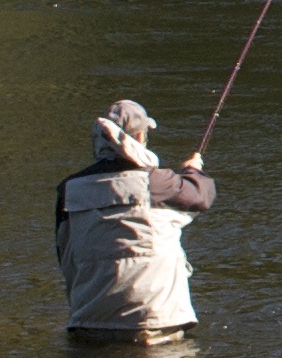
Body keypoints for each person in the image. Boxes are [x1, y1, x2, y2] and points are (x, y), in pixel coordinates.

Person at [54, 101, 217, 344]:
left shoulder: (69, 189)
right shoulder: (157, 183)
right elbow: (203, 195)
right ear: (141, 135)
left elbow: (63, 251)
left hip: (87, 323)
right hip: (154, 323)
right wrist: (193, 171)